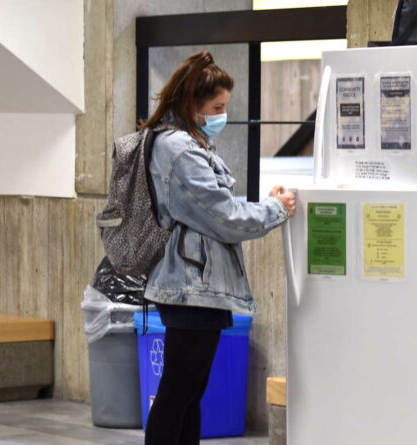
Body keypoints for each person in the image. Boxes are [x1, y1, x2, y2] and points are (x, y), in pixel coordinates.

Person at [138, 51, 295, 445]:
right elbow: (223, 217)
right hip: (192, 285)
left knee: (189, 392)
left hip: (197, 284)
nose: (223, 113)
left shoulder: (188, 142)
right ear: (192, 105)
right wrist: (275, 210)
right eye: (217, 106)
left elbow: (212, 207)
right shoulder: (180, 149)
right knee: (179, 391)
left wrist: (264, 203)